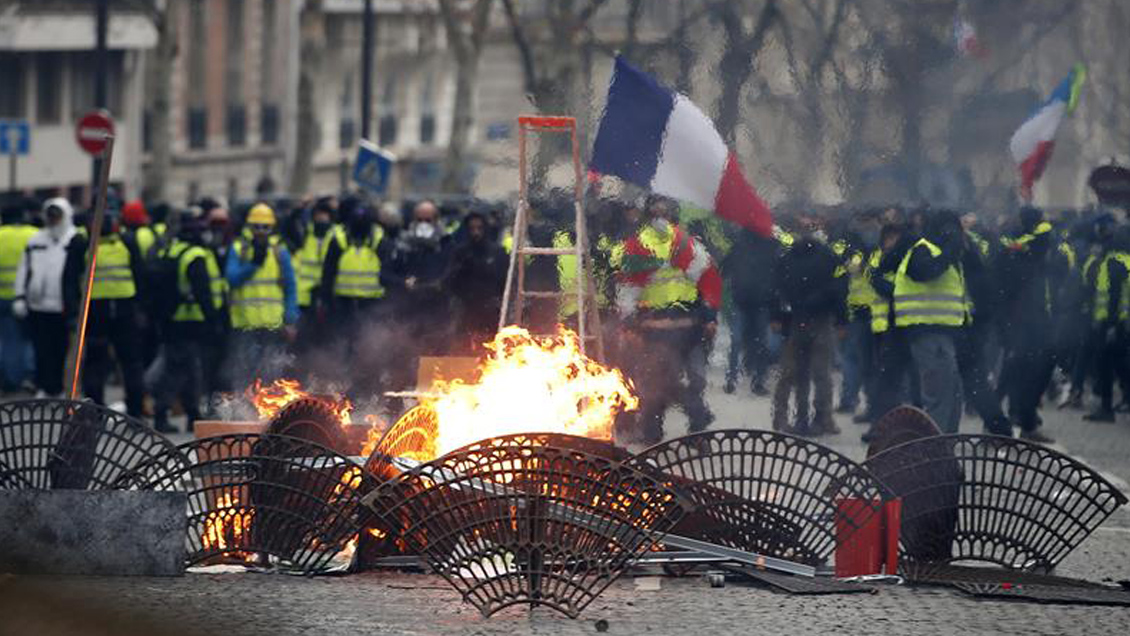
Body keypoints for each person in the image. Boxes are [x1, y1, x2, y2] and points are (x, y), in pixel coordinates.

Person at [615, 195, 719, 444]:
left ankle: (691, 428)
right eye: (657, 212)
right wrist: (628, 321)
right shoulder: (643, 246)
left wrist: (709, 317)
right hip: (660, 329)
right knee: (660, 383)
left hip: (685, 328)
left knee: (679, 381)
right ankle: (668, 428)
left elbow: (707, 282)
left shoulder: (686, 245)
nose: (660, 217)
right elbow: (629, 288)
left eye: (663, 212)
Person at [62, 208, 147, 417]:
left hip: (97, 311)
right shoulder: (124, 241)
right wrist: (142, 309)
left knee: (97, 363)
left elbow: (69, 280)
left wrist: (73, 312)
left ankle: (96, 412)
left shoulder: (84, 243)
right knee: (129, 363)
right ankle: (134, 412)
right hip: (121, 310)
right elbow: (141, 276)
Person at [891, 209, 968, 434]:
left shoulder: (942, 251)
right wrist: (949, 252)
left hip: (942, 333)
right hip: (927, 332)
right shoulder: (923, 249)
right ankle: (934, 448)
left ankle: (945, 444)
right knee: (939, 396)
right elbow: (924, 272)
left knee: (952, 395)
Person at [770, 211, 845, 436]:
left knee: (804, 373)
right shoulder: (823, 256)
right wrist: (841, 319)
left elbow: (777, 289)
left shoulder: (793, 256)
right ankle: (812, 418)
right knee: (806, 373)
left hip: (806, 320)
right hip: (808, 320)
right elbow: (838, 289)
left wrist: (777, 315)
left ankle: (808, 417)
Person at [153, 207, 226, 432]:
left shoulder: (172, 250)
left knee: (186, 369)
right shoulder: (195, 256)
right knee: (180, 370)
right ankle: (163, 414)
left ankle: (191, 413)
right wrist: (213, 320)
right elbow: (203, 292)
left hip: (171, 320)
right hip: (190, 320)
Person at [994, 208, 1059, 442]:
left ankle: (1023, 419)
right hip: (1019, 323)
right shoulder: (1015, 251)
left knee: (1031, 370)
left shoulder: (1030, 252)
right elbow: (1004, 292)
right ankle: (999, 420)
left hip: (1036, 321)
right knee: (1015, 371)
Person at [383, 199, 454, 397]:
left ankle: (428, 399)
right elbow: (385, 274)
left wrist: (439, 283)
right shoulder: (402, 244)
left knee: (432, 355)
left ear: (436, 220)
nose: (424, 224)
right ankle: (395, 399)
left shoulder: (446, 244)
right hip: (407, 310)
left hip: (435, 310)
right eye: (420, 219)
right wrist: (403, 282)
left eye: (428, 220)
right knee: (401, 354)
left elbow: (454, 271)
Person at [225, 203, 299, 387]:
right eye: (256, 226)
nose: (260, 231)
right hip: (245, 324)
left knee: (271, 374)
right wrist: (253, 265)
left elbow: (290, 287)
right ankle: (244, 404)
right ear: (249, 226)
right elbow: (232, 279)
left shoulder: (279, 252)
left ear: (272, 227)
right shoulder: (238, 249)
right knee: (245, 373)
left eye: (265, 227)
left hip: (273, 325)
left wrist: (290, 320)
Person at [320, 202, 387, 394]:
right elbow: (328, 273)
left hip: (371, 304)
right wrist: (326, 302)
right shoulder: (340, 239)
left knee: (370, 345)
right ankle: (344, 385)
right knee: (344, 346)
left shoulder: (378, 238)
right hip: (344, 303)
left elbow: (388, 271)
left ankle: (368, 385)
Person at [14, 198, 76, 398]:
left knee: (61, 349)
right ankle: (43, 385)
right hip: (38, 305)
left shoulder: (74, 239)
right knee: (41, 348)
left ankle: (58, 387)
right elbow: (24, 269)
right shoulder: (36, 240)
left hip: (62, 306)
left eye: (57, 216)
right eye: (50, 216)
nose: (53, 220)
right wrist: (20, 296)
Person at [1084, 221, 1130, 422]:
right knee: (1121, 363)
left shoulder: (1113, 263)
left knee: (1105, 364)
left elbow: (1113, 295)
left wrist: (1110, 324)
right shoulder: (1126, 260)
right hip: (1122, 322)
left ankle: (1106, 408)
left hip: (1110, 323)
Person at [722, 227, 777, 395]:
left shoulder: (739, 246)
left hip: (744, 300)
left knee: (738, 341)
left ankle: (733, 378)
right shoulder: (770, 247)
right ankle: (757, 380)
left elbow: (724, 270)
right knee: (760, 343)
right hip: (759, 302)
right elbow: (777, 275)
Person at [449, 210, 508, 350]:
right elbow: (451, 281)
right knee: (463, 349)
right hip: (467, 310)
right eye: (472, 229)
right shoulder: (460, 253)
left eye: (479, 228)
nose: (476, 233)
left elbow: (505, 281)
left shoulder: (497, 252)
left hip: (491, 310)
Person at [0, 202, 39, 392]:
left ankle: (9, 377)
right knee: (29, 338)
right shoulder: (34, 234)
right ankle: (28, 375)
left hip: (2, 297)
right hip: (29, 297)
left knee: (8, 339)